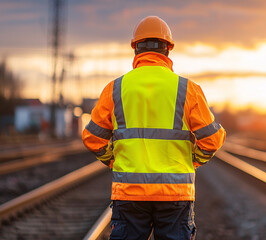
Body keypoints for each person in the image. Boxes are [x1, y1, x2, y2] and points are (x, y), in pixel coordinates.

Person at [82, 16, 226, 240]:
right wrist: (194, 160)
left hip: (129, 194)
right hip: (175, 194)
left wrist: (112, 160)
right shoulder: (188, 89)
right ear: (168, 49)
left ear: (135, 49)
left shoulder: (115, 89)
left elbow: (92, 137)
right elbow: (213, 139)